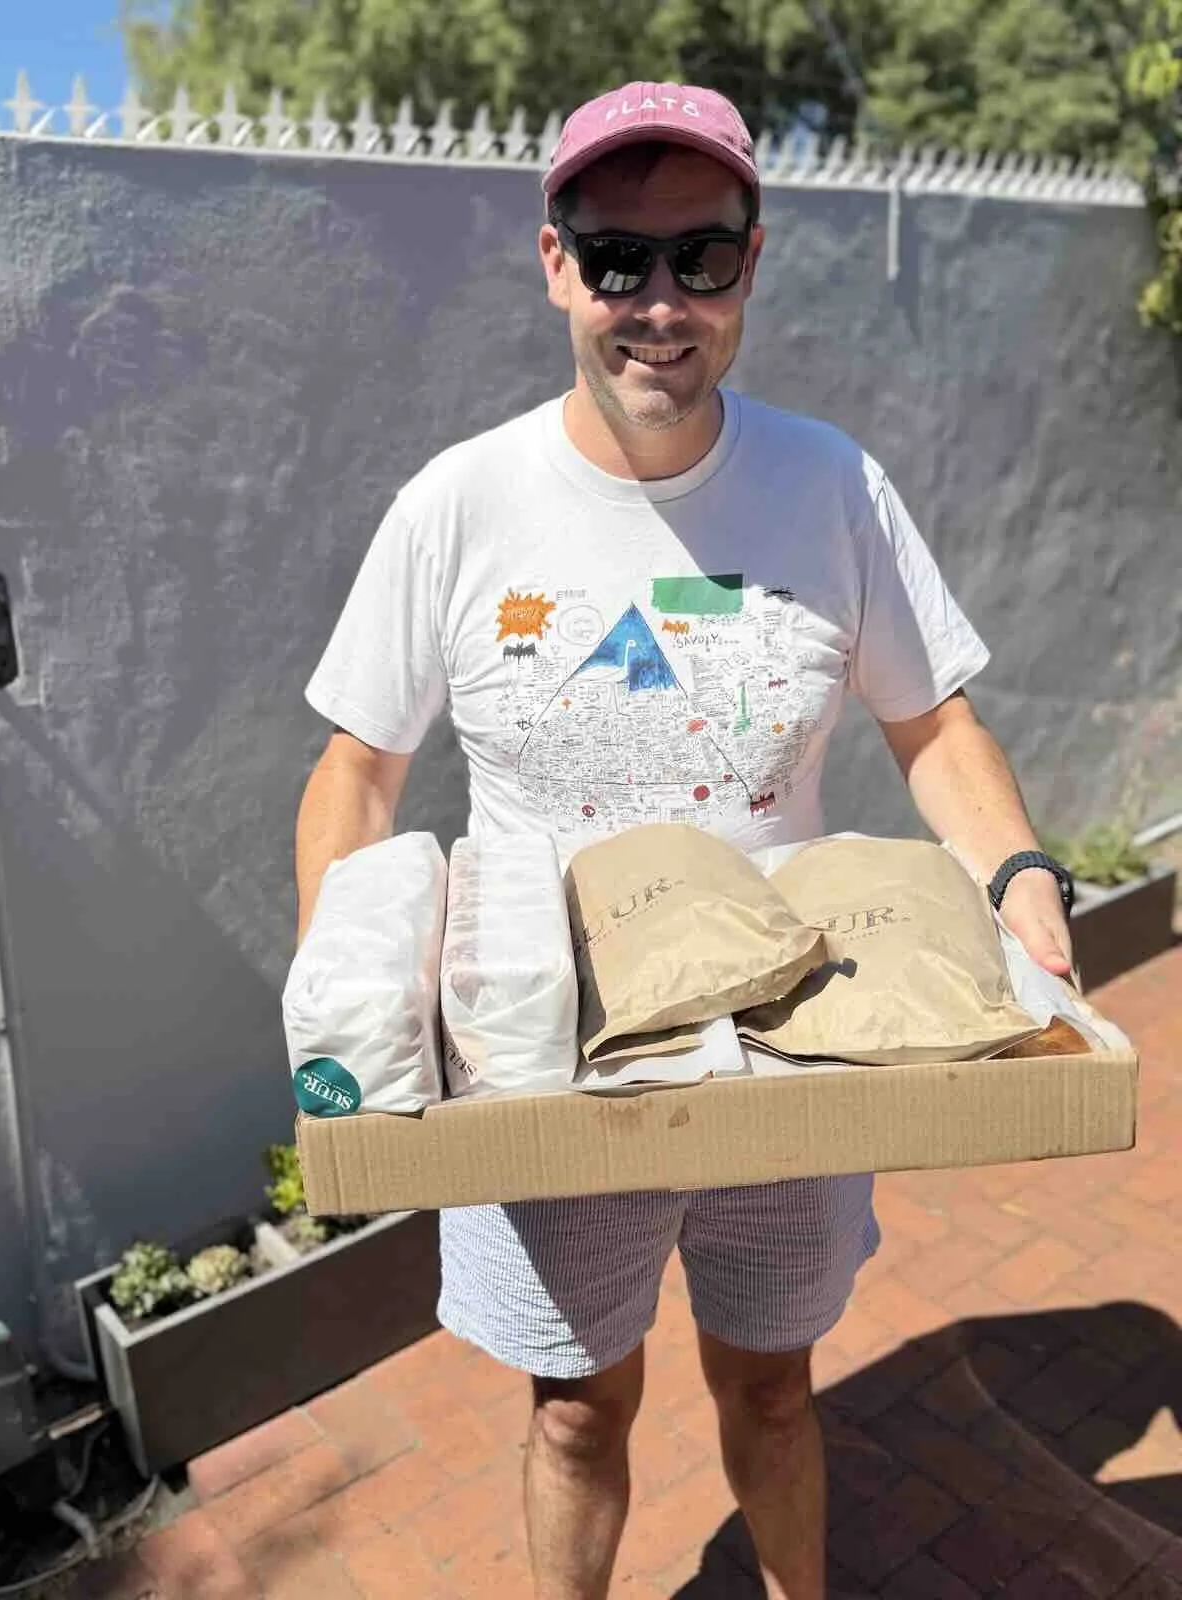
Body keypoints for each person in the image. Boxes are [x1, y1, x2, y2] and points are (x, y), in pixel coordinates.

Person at [294, 80, 1074, 1600]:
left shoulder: (831, 484)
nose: (659, 304)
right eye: (616, 259)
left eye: (700, 259)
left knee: (773, 1388)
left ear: (752, 265)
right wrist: (345, 978)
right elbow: (356, 769)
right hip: (544, 1057)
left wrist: (1023, 879)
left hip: (789, 1055)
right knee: (578, 1413)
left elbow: (935, 727)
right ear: (551, 263)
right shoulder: (459, 505)